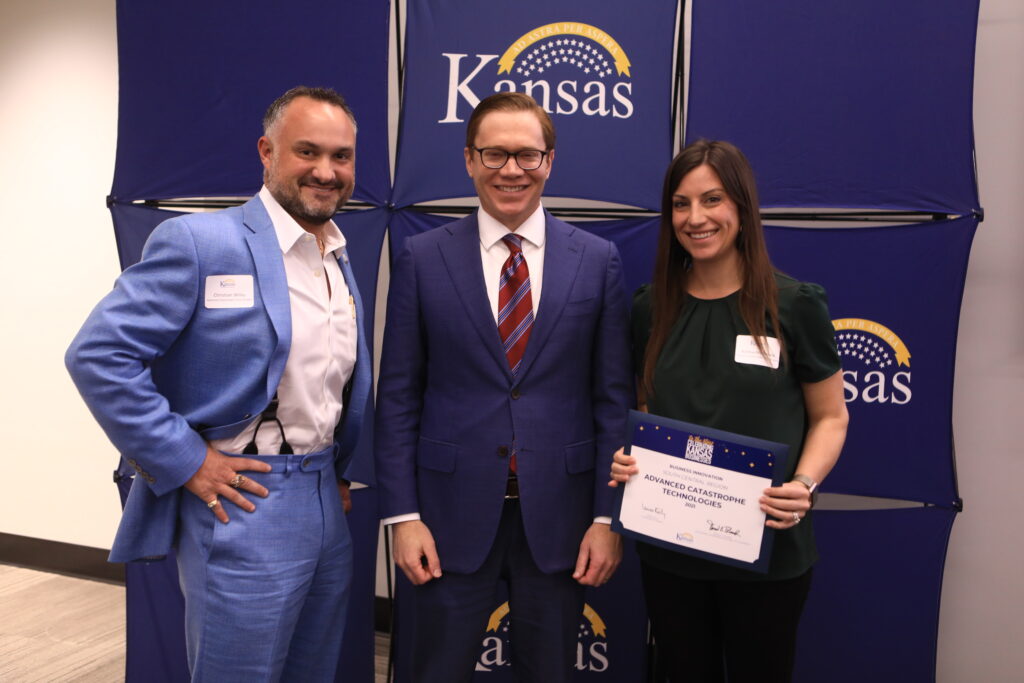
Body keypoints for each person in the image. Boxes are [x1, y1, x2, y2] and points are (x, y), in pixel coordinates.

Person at [65, 86, 371, 682]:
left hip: (325, 501)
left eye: (341, 156)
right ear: (267, 151)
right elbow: (98, 354)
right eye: (307, 151)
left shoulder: (335, 253)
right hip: (244, 500)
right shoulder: (202, 243)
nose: (326, 171)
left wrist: (331, 473)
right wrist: (186, 459)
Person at [375, 92, 633, 683]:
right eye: (494, 154)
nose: (511, 170)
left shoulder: (597, 260)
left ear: (550, 162)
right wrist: (403, 516)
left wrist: (606, 519)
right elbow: (399, 397)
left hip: (562, 520)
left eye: (526, 155)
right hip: (445, 517)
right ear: (469, 159)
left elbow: (612, 400)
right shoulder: (422, 257)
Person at [609, 139, 849, 682]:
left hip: (768, 550)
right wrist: (633, 457)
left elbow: (831, 416)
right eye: (681, 204)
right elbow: (647, 405)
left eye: (712, 199)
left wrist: (804, 484)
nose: (695, 218)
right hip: (671, 552)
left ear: (742, 206)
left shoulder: (795, 305)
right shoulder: (650, 307)